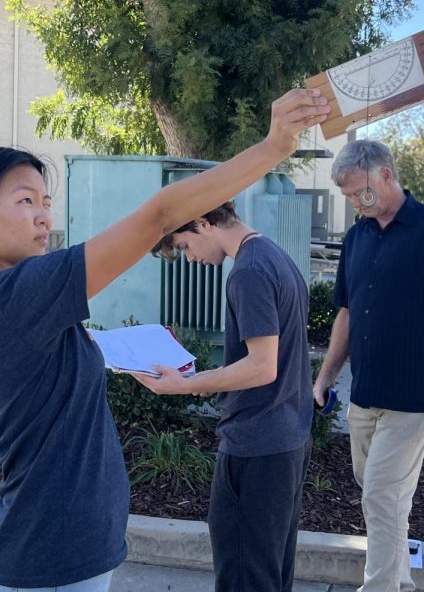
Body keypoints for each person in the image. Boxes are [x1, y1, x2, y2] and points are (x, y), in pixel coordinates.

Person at [0, 89, 329, 592]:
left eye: (46, 201)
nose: (45, 215)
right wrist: (274, 148)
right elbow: (156, 217)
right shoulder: (12, 296)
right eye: (25, 201)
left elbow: (7, 425)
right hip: (56, 559)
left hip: (48, 551)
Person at [311, 139, 424, 592]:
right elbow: (345, 313)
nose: (353, 203)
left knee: (382, 497)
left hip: (414, 394)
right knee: (385, 500)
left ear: (385, 175)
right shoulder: (356, 237)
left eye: (358, 192)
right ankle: (401, 584)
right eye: (346, 196)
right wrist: (325, 375)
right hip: (365, 395)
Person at [133, 201, 312, 592]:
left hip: (256, 444)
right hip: (285, 441)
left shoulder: (248, 272)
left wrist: (186, 383)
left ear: (202, 221)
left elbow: (262, 367)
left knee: (244, 577)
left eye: (183, 246)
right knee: (269, 575)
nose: (190, 259)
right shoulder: (273, 256)